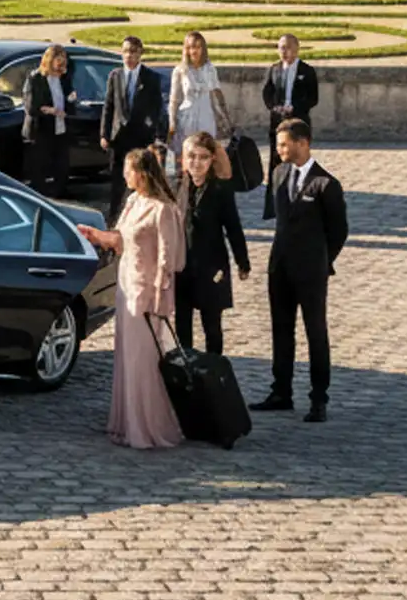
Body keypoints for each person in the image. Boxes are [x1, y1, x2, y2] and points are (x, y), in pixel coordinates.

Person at [77, 148, 186, 450]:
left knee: (143, 360)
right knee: (126, 358)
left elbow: (168, 258)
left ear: (141, 173)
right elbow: (122, 240)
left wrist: (161, 297)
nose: (124, 175)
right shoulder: (133, 201)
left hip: (146, 293)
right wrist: (96, 236)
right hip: (126, 286)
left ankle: (147, 426)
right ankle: (126, 422)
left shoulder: (163, 209)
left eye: (128, 170)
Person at [252, 119, 348, 422]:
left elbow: (339, 231)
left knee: (315, 331)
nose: (278, 150)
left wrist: (321, 260)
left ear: (302, 143)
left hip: (310, 271)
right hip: (280, 267)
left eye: (284, 144)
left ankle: (318, 398)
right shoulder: (278, 174)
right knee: (281, 331)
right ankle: (281, 391)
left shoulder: (326, 184)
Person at [176, 130, 250, 356]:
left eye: (203, 157)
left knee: (212, 325)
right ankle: (186, 366)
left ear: (211, 160)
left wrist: (242, 262)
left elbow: (233, 228)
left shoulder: (220, 189)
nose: (196, 163)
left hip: (211, 265)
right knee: (182, 323)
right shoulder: (178, 187)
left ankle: (214, 366)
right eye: (192, 156)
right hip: (182, 265)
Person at [101, 36, 169, 221]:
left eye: (133, 52)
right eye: (125, 51)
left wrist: (156, 134)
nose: (128, 56)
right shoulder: (115, 75)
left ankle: (137, 217)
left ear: (140, 53)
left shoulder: (151, 78)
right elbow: (108, 106)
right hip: (119, 137)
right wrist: (104, 134)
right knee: (118, 181)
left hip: (140, 137)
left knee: (140, 178)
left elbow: (157, 108)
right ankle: (114, 218)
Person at [260, 34, 319, 220]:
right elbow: (267, 93)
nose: (284, 52)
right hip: (278, 123)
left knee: (298, 162)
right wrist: (274, 107)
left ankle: (300, 204)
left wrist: (295, 108)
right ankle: (274, 207)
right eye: (281, 48)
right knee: (276, 164)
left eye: (287, 47)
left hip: (298, 123)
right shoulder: (274, 69)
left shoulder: (307, 71)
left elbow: (313, 98)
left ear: (297, 48)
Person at [22, 44, 77, 199]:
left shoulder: (64, 78)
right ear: (49, 61)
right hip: (41, 130)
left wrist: (71, 100)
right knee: (40, 167)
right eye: (57, 61)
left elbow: (69, 102)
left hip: (60, 128)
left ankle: (60, 194)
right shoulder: (35, 78)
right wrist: (51, 110)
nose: (60, 66)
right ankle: (39, 196)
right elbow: (31, 107)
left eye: (63, 61)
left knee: (62, 165)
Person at [169, 30, 230, 168]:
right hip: (187, 118)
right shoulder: (180, 70)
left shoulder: (210, 69)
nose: (194, 51)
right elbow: (174, 99)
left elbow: (217, 94)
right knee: (187, 155)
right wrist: (172, 122)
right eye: (190, 47)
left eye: (197, 47)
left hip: (206, 117)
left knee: (206, 152)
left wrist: (225, 118)